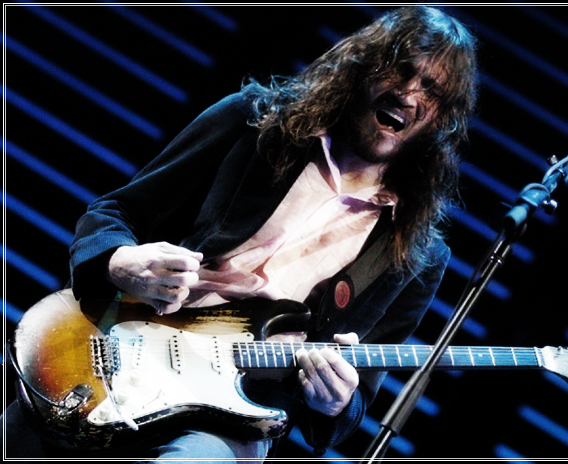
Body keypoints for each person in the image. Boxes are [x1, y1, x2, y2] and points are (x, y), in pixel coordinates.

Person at [4, 5, 478, 462]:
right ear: (364, 66)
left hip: (234, 410)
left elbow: (358, 396)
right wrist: (119, 261)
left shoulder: (415, 254)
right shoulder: (255, 121)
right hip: (129, 340)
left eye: (431, 90)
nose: (408, 94)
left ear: (444, 118)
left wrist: (335, 400)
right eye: (400, 71)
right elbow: (117, 211)